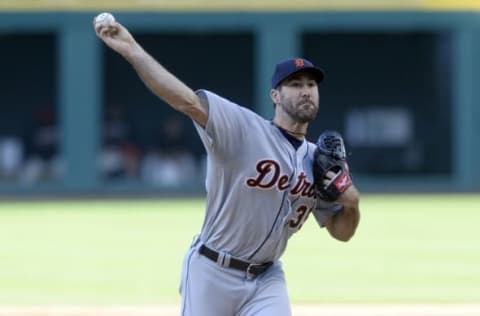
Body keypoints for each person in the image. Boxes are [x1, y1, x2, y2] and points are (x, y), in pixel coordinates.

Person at [94, 15, 360, 316]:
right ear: (275, 95)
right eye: (295, 84)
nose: (306, 90)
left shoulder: (318, 162)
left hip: (267, 278)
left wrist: (352, 204)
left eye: (311, 84)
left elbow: (342, 233)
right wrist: (132, 50)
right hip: (212, 271)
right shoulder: (243, 128)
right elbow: (185, 100)